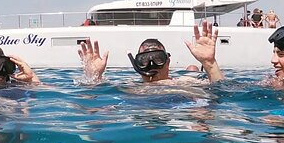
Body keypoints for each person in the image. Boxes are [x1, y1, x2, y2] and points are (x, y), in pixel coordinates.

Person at [78, 22, 224, 84]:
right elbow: (95, 105)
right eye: (144, 60)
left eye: (158, 58)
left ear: (167, 61)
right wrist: (94, 76)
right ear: (137, 65)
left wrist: (210, 64)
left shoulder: (186, 83)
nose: (151, 65)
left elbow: (222, 91)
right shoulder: (130, 87)